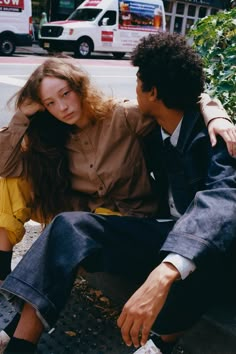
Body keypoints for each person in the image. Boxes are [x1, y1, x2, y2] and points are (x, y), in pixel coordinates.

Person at [0, 41, 236, 354]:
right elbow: (7, 164)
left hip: (189, 240)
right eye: (50, 102)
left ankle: (160, 343)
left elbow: (222, 199)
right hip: (146, 230)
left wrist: (216, 114)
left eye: (66, 94)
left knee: (206, 250)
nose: (62, 107)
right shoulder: (59, 133)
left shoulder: (133, 119)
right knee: (65, 225)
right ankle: (19, 344)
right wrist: (24, 114)